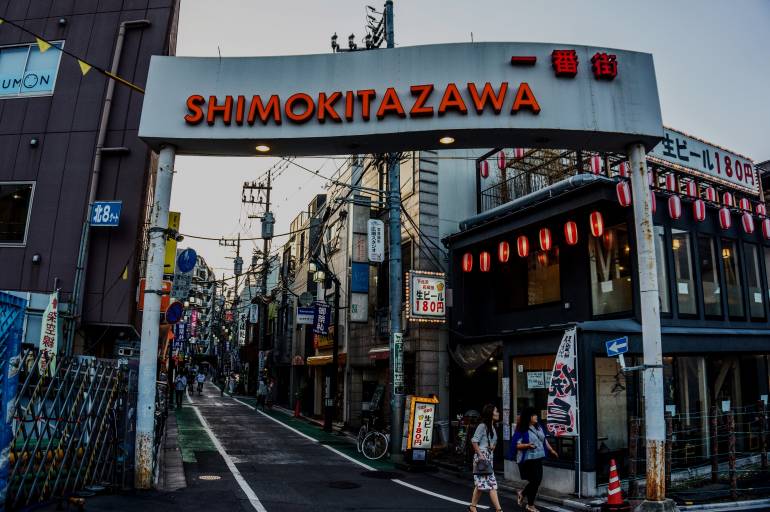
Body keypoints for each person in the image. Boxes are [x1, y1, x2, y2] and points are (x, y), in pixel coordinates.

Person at [509, 407, 558, 512]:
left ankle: (522, 494)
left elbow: (544, 440)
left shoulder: (538, 427)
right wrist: (527, 445)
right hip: (528, 459)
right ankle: (530, 505)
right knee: (535, 481)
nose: (536, 417)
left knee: (537, 481)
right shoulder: (522, 429)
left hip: (538, 457)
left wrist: (551, 450)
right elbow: (517, 445)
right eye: (534, 415)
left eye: (536, 415)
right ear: (528, 417)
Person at [468, 404, 502, 512]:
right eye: (496, 411)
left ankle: (472, 507)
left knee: (480, 485)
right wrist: (481, 455)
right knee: (492, 484)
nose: (498, 413)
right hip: (482, 458)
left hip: (488, 458)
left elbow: (493, 443)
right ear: (490, 413)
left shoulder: (492, 427)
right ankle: (499, 510)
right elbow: (474, 441)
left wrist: (492, 447)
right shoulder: (482, 426)